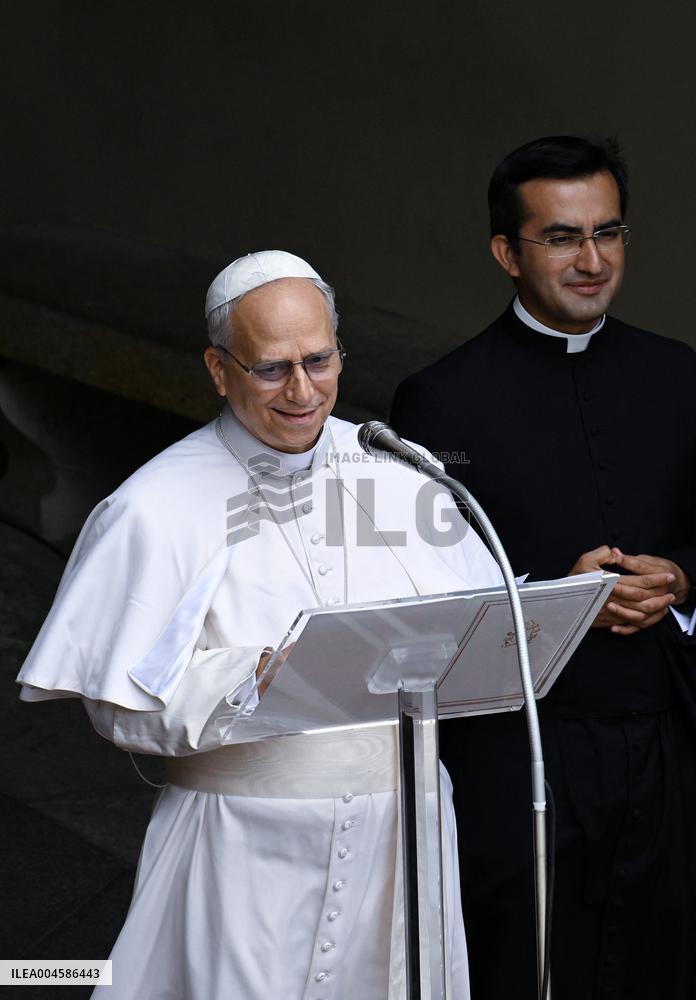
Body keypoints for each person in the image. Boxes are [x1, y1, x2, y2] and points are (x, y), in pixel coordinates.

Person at [17, 250, 502, 1000]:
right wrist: (248, 678)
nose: (304, 391)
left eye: (319, 360)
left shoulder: (399, 469)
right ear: (219, 369)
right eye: (272, 369)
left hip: (401, 842)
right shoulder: (153, 505)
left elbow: (472, 619)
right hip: (244, 844)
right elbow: (116, 705)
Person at [390, 136, 696, 1000]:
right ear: (507, 254)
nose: (593, 260)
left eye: (609, 233)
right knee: (528, 962)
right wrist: (557, 601)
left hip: (664, 731)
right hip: (524, 747)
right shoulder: (440, 397)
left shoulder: (679, 374)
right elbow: (422, 590)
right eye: (563, 237)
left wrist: (679, 577)